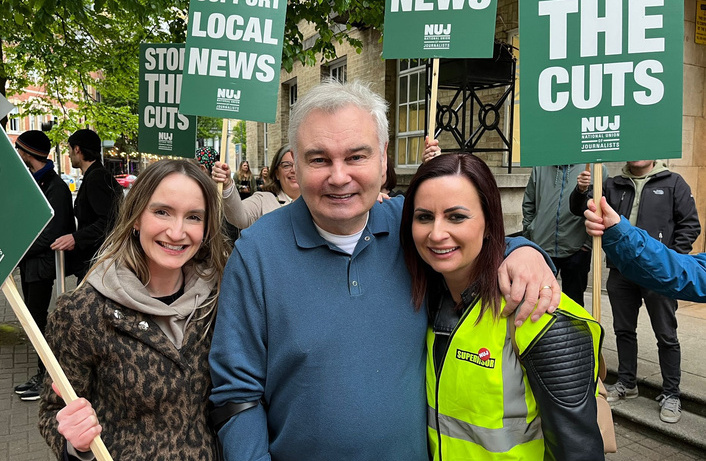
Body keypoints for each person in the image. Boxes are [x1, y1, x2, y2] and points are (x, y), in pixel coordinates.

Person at [208, 80, 561, 461]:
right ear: (294, 160)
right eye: (319, 159)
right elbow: (236, 396)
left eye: (356, 157)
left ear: (383, 158)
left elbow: (470, 243)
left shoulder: (412, 228)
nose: (339, 176)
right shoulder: (256, 254)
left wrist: (524, 250)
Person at [402, 153, 604, 460]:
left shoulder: (540, 312)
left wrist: (523, 248)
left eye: (457, 216)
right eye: (424, 217)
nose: (437, 233)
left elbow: (579, 451)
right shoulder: (428, 297)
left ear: (489, 222)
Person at [39, 159, 229, 460]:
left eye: (193, 217)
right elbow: (54, 409)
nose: (177, 231)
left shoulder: (221, 298)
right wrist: (74, 445)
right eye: (162, 212)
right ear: (137, 216)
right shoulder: (82, 312)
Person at [570, 160, 700, 423]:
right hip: (621, 271)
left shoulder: (673, 182)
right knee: (623, 330)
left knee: (666, 334)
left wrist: (671, 259)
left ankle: (671, 393)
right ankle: (628, 383)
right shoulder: (611, 184)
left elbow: (690, 224)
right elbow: (581, 209)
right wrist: (581, 191)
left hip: (659, 275)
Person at [13, 130, 75, 401]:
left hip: (41, 266)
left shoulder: (55, 187)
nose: (18, 155)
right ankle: (46, 374)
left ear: (28, 153)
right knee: (34, 321)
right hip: (31, 264)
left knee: (38, 323)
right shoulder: (35, 182)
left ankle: (48, 378)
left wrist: (20, 249)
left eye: (20, 151)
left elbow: (54, 233)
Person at [585, 197, 706, 302]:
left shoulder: (674, 182)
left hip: (653, 264)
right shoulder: (616, 182)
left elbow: (689, 225)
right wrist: (617, 231)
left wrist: (677, 251)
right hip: (628, 261)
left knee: (663, 324)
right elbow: (687, 273)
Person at [522, 164, 607, 307]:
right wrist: (530, 235)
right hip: (542, 247)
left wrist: (587, 244)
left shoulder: (595, 168)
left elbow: (600, 209)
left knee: (573, 304)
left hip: (578, 249)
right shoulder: (540, 168)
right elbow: (529, 204)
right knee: (537, 301)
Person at [51, 129, 123, 283]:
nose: (69, 155)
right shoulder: (96, 175)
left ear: (77, 149)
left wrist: (75, 238)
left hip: (97, 264)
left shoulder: (97, 178)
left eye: (69, 149)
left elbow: (109, 221)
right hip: (96, 263)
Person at [211, 145, 300, 229]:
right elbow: (239, 218)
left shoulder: (313, 201)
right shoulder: (263, 200)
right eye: (286, 165)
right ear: (277, 174)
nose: (294, 170)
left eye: (298, 164)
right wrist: (227, 184)